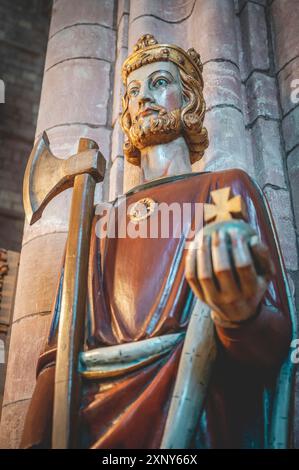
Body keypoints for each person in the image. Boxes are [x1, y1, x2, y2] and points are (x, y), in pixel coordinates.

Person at [21, 34, 295, 449]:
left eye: (160, 82)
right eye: (132, 91)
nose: (142, 98)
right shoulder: (100, 223)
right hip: (92, 426)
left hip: (197, 414)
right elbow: (56, 357)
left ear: (189, 100)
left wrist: (240, 314)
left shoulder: (223, 191)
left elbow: (275, 341)